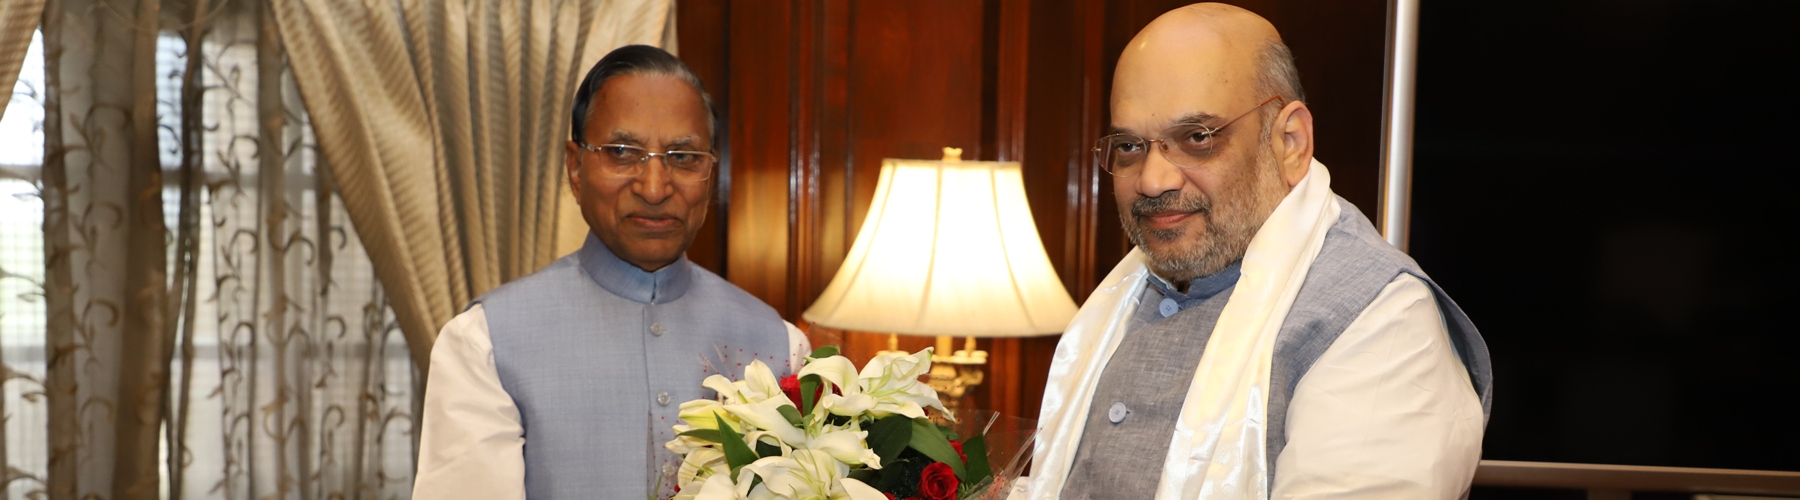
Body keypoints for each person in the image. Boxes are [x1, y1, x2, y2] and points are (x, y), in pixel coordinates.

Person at [1031, 4, 1492, 499]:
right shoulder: (1124, 296)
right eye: (1129, 146)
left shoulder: (1383, 322)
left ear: (1290, 141)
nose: (1152, 179)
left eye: (1196, 138)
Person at [412, 45, 808, 499]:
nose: (655, 188)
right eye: (622, 152)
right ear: (576, 168)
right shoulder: (485, 342)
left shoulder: (781, 347)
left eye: (683, 156)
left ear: (711, 172)